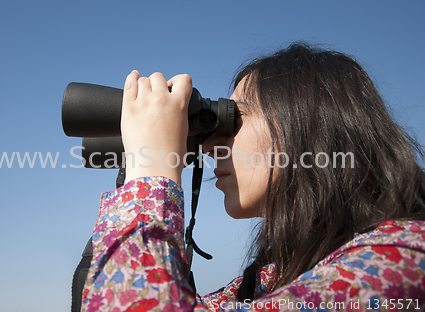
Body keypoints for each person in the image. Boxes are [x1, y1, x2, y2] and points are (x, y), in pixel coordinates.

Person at [80, 43, 425, 311]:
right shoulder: (275, 275)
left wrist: (152, 168)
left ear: (307, 127)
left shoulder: (399, 265)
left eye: (236, 118)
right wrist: (137, 172)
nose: (213, 147)